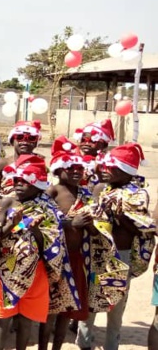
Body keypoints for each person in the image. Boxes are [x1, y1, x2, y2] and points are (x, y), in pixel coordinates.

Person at [0, 155, 76, 350]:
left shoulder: (48, 209)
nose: (18, 185)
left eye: (24, 182)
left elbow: (52, 245)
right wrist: (11, 225)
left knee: (26, 318)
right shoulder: (7, 203)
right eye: (16, 181)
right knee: (2, 317)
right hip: (8, 269)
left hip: (37, 272)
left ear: (37, 184)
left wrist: (35, 230)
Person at [41, 136, 124, 350]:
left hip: (78, 260)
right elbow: (42, 220)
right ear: (59, 170)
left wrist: (89, 225)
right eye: (71, 168)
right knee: (50, 310)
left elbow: (96, 225)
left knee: (67, 312)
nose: (77, 172)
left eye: (80, 168)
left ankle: (57, 347)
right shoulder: (53, 192)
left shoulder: (86, 195)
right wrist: (70, 223)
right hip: (56, 260)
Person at [77, 143, 153, 350]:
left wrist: (120, 215)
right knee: (91, 302)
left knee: (116, 306)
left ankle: (112, 345)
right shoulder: (102, 189)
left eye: (112, 169)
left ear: (125, 171)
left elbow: (141, 229)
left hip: (122, 256)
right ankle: (84, 343)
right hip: (98, 254)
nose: (105, 171)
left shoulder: (138, 195)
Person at [0, 120, 41, 197]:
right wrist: (3, 206)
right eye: (20, 137)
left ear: (36, 144)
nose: (25, 142)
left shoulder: (39, 165)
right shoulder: (2, 164)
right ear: (12, 141)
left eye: (31, 138)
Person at [73, 119, 114, 188]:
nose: (86, 143)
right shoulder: (72, 159)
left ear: (104, 145)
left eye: (93, 141)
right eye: (83, 140)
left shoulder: (108, 162)